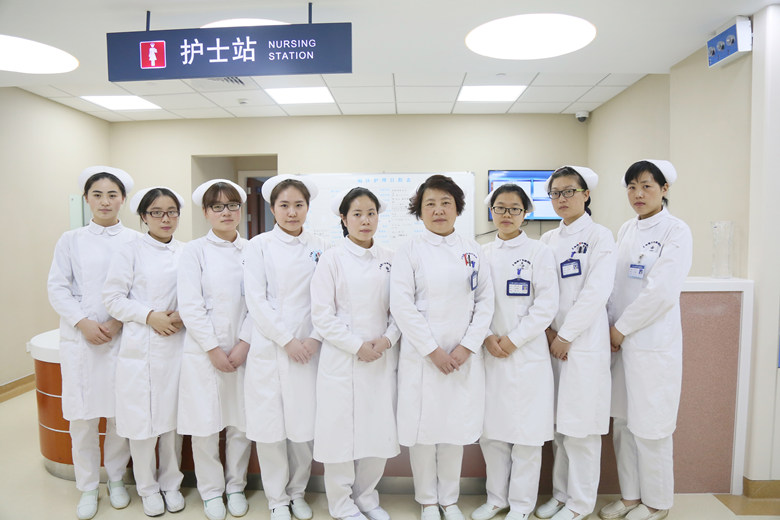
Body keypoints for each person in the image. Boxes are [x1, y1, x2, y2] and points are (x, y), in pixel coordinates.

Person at [389, 174, 494, 520]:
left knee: (454, 430)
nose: (438, 210)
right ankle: (427, 501)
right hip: (423, 358)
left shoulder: (473, 250)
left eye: (445, 203)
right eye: (430, 204)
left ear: (457, 208)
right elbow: (401, 305)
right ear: (419, 210)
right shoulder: (408, 250)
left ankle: (449, 499)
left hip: (462, 358)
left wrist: (467, 347)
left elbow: (485, 302)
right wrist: (432, 350)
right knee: (424, 433)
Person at [598, 160, 692, 520]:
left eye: (647, 186)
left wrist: (620, 328)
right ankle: (631, 497)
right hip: (619, 343)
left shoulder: (676, 231)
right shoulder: (626, 229)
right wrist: (608, 327)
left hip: (651, 343)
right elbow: (614, 283)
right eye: (632, 187)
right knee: (623, 423)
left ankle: (657, 503)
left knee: (652, 426)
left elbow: (661, 292)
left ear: (664, 189)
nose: (638, 194)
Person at [47, 165, 138, 520]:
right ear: (86, 199)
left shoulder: (135, 240)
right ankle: (87, 486)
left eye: (112, 195)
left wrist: (117, 321)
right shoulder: (70, 240)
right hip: (81, 340)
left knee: (118, 414)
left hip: (122, 336)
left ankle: (115, 479)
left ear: (123, 199)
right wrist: (83, 322)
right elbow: (57, 287)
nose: (104, 201)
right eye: (97, 195)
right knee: (82, 418)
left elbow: (141, 289)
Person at [310, 187, 400, 520]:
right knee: (339, 433)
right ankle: (340, 503)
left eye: (371, 213)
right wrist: (356, 346)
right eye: (357, 214)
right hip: (341, 359)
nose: (365, 220)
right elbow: (321, 315)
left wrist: (388, 340)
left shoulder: (391, 258)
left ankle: (366, 497)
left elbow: (402, 309)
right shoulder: (331, 258)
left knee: (378, 430)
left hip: (380, 358)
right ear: (344, 219)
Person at [535, 166, 616, 520]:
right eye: (555, 193)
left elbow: (596, 292)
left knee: (581, 429)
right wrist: (550, 333)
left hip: (583, 344)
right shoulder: (547, 240)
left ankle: (580, 504)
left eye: (569, 191)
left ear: (586, 194)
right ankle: (561, 494)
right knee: (560, 428)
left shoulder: (600, 236)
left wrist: (567, 335)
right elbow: (541, 292)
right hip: (552, 343)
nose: (562, 198)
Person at [474, 184, 558, 520]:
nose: (506, 215)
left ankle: (522, 505)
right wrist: (486, 337)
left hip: (527, 355)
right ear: (491, 211)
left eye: (514, 209)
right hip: (490, 353)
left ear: (526, 213)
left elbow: (546, 305)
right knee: (492, 434)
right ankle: (496, 499)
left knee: (527, 435)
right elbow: (472, 302)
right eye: (500, 208)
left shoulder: (539, 252)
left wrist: (514, 339)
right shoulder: (481, 253)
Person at [243, 175, 325, 520]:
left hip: (309, 348)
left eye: (299, 205)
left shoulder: (322, 246)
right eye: (284, 205)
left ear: (308, 207)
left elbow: (329, 299)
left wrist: (314, 337)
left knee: (303, 428)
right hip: (271, 348)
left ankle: (298, 492)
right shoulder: (258, 246)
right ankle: (277, 499)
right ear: (272, 208)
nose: (292, 212)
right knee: (270, 428)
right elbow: (255, 300)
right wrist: (286, 340)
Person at [102, 186, 187, 517]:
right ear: (143, 217)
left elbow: (198, 294)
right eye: (157, 213)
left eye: (172, 212)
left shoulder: (186, 251)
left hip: (177, 343)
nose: (166, 219)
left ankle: (171, 484)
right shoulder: (130, 251)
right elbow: (113, 298)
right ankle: (147, 488)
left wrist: (181, 315)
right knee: (142, 423)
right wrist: (149, 316)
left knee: (171, 422)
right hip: (141, 345)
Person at [177, 179, 252, 520]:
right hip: (203, 354)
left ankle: (235, 486)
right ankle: (210, 492)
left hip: (244, 351)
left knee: (240, 423)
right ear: (206, 212)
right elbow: (190, 305)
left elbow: (259, 302)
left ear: (241, 209)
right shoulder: (194, 251)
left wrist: (244, 343)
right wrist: (212, 349)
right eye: (217, 207)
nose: (226, 212)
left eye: (232, 205)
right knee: (205, 425)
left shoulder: (253, 250)